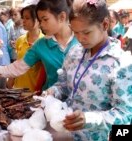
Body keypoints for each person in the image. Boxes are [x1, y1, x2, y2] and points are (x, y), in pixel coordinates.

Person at [43, 0, 132, 140]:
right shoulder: (75, 53)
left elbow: (125, 114)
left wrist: (89, 119)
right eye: (75, 33)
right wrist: (52, 92)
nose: (80, 39)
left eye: (86, 32)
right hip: (66, 133)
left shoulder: (121, 63)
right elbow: (65, 86)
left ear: (105, 24)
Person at [0, 0, 79, 91]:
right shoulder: (41, 45)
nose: (41, 25)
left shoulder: (82, 40)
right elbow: (16, 68)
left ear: (62, 17)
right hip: (52, 103)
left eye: (45, 20)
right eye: (40, 20)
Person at [7, 5, 44, 92]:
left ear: (38, 20)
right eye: (23, 18)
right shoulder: (20, 40)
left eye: (27, 18)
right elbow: (17, 63)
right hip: (17, 89)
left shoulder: (44, 43)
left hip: (33, 92)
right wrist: (11, 81)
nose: (23, 21)